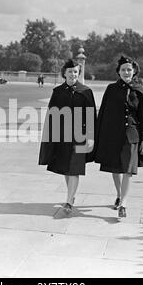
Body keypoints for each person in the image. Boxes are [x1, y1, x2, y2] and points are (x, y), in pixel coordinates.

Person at [94, 56, 143, 218]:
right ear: (118, 72)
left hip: (132, 136)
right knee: (116, 169)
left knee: (128, 169)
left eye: (129, 69)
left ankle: (123, 204)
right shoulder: (111, 89)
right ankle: (119, 195)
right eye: (123, 70)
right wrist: (99, 135)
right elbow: (104, 113)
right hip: (113, 136)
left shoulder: (139, 90)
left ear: (134, 71)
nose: (126, 72)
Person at [39, 59, 97, 213]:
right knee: (66, 168)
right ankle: (71, 196)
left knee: (74, 168)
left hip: (80, 136)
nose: (73, 74)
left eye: (76, 72)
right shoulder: (57, 92)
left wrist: (91, 137)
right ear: (64, 73)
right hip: (62, 136)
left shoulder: (86, 91)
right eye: (70, 71)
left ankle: (69, 201)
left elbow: (91, 116)